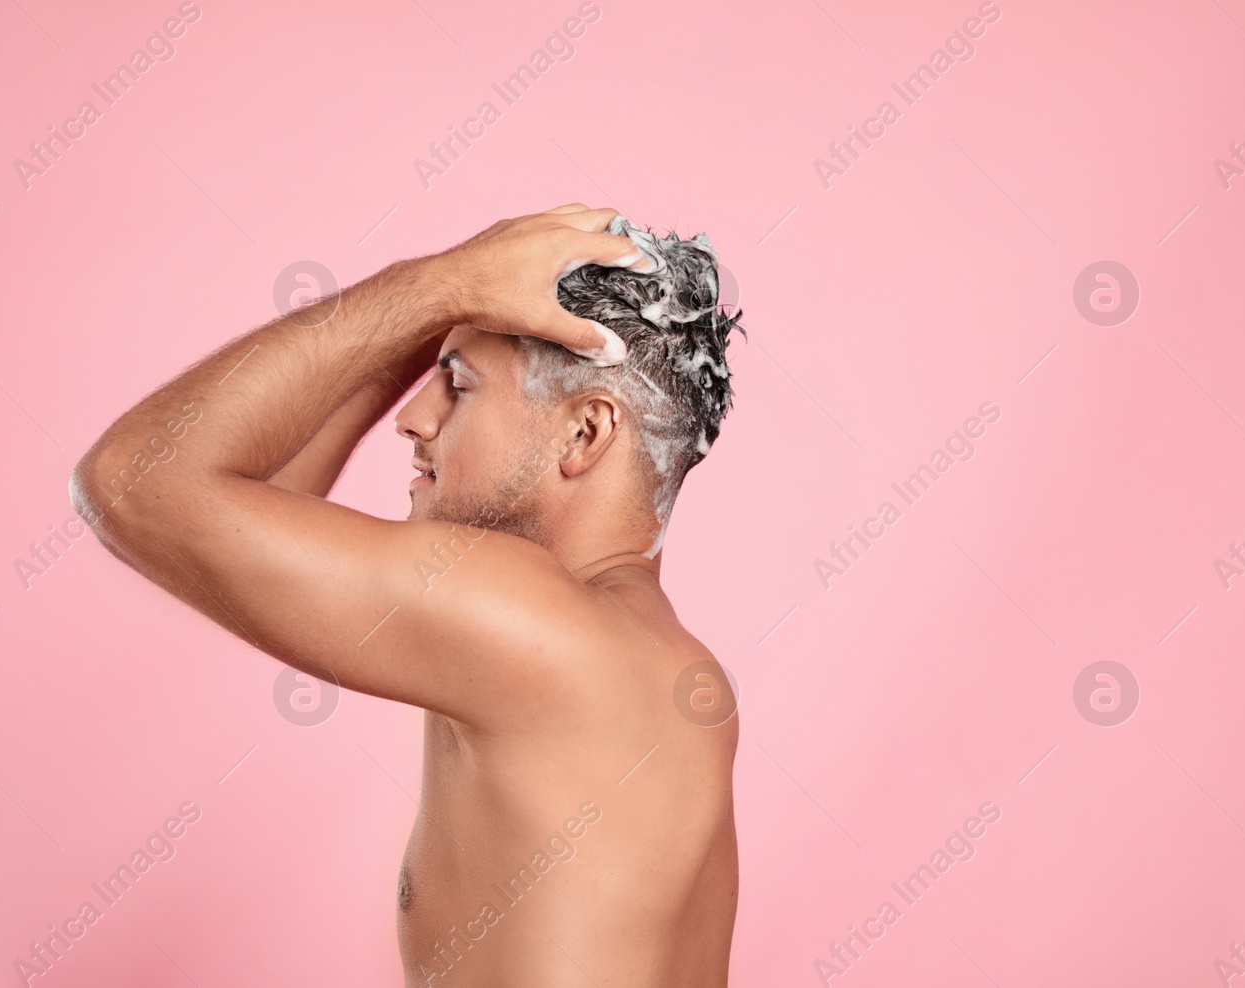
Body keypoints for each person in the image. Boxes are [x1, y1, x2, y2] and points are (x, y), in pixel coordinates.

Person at [71, 203, 746, 986]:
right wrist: (450, 307)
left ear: (584, 435)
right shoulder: (638, 656)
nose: (413, 417)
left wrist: (434, 286)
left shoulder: (530, 616)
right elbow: (258, 523)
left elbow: (132, 481)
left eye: (456, 386)